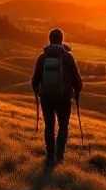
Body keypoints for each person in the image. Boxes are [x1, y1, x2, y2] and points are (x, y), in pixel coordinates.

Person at [31, 28, 83, 167]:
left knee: (49, 126)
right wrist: (77, 91)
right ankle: (59, 156)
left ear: (49, 40)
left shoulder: (42, 57)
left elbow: (34, 81)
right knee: (63, 126)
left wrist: (38, 91)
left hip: (46, 98)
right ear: (61, 40)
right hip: (63, 98)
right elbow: (77, 80)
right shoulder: (68, 57)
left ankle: (49, 156)